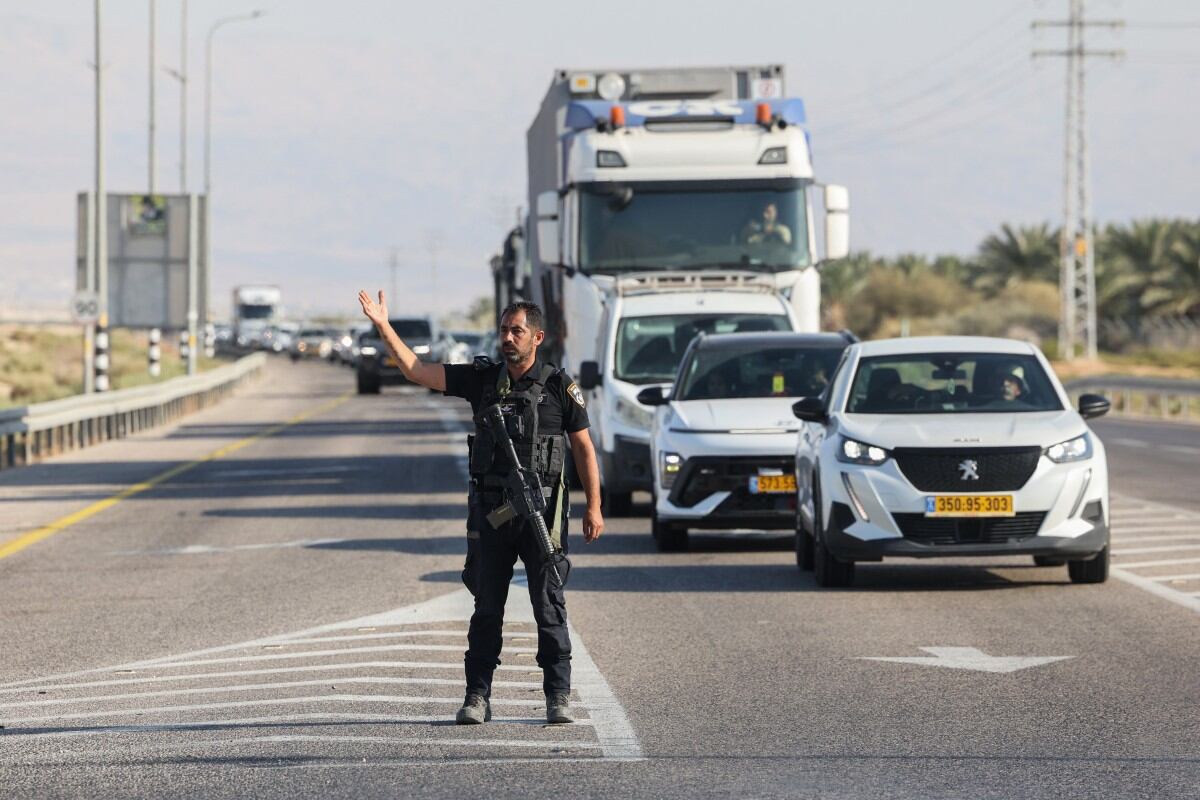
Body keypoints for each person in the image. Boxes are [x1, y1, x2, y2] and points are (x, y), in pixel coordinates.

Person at [357, 290, 604, 726]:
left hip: (542, 517)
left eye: (517, 331)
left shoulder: (558, 387)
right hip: (493, 516)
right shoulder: (482, 379)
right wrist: (383, 326)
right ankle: (477, 696)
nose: (508, 338)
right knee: (487, 608)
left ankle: (558, 695)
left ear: (537, 337)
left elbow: (584, 448)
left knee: (549, 607)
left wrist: (594, 507)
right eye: (504, 330)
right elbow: (416, 370)